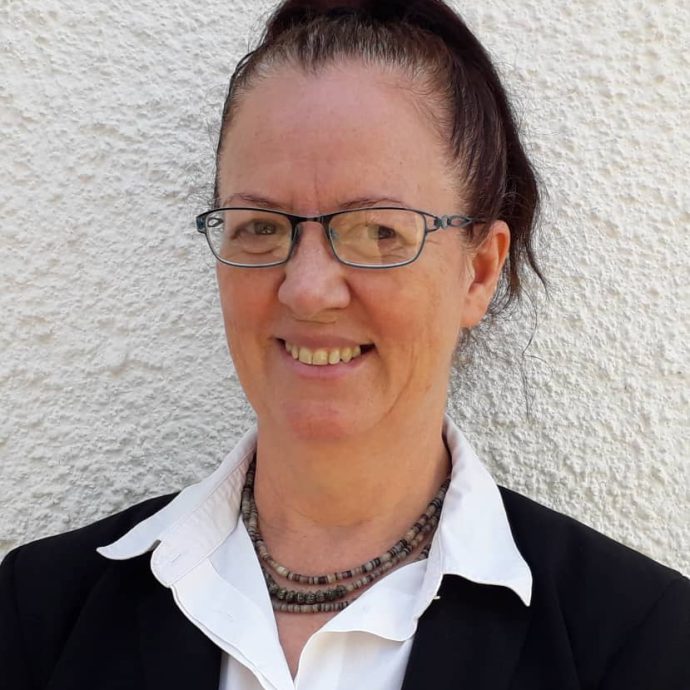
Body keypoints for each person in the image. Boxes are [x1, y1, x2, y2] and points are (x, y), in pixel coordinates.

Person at [1, 1, 688, 688]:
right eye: (260, 226)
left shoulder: (640, 642)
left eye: (379, 231)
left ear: (478, 272)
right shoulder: (37, 617)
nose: (307, 290)